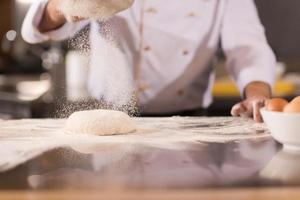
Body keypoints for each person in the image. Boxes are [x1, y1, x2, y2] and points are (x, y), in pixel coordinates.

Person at [22, 0, 276, 122]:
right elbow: (35, 28)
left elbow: (247, 46)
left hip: (188, 126)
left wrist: (257, 93)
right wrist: (66, 5)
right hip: (106, 119)